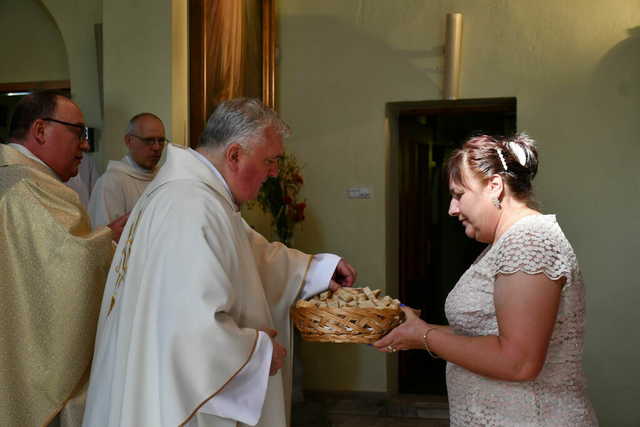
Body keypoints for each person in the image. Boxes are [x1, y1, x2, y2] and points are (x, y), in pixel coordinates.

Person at [82, 98, 357, 427]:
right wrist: (259, 355)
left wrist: (317, 269)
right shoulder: (191, 205)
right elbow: (190, 330)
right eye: (269, 161)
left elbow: (250, 254)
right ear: (235, 155)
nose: (273, 172)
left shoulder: (196, 196)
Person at [374, 134, 598, 426]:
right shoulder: (506, 242)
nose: (452, 210)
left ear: (495, 186)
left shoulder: (527, 241)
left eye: (458, 194)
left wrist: (424, 336)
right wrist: (418, 331)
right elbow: (488, 336)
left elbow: (518, 362)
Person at [0, 91, 128, 426]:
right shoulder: (28, 187)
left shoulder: (10, 176)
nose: (85, 145)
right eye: (78, 132)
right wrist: (113, 237)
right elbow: (69, 270)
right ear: (40, 130)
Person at [88, 112, 166, 227]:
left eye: (161, 141)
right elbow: (104, 238)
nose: (156, 147)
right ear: (129, 141)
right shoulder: (111, 183)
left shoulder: (164, 177)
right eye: (149, 140)